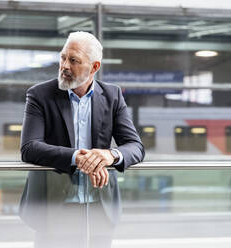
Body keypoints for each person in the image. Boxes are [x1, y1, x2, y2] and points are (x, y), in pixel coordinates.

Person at [19, 31, 145, 248]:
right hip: (54, 207)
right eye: (63, 57)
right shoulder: (40, 95)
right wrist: (79, 157)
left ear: (94, 67)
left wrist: (110, 155)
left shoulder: (113, 95)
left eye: (73, 60)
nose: (65, 66)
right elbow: (29, 148)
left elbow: (135, 147)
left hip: (100, 207)